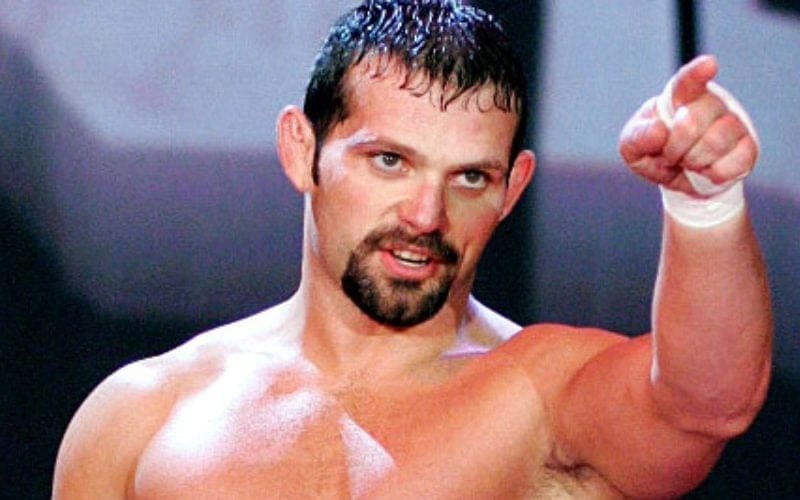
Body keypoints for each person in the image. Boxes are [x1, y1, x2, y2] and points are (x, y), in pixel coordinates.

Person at [53, 1, 772, 498]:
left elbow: (704, 408)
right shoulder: (144, 415)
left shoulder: (538, 399)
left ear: (512, 188)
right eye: (389, 161)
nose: (427, 216)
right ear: (301, 151)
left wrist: (705, 202)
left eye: (470, 178)